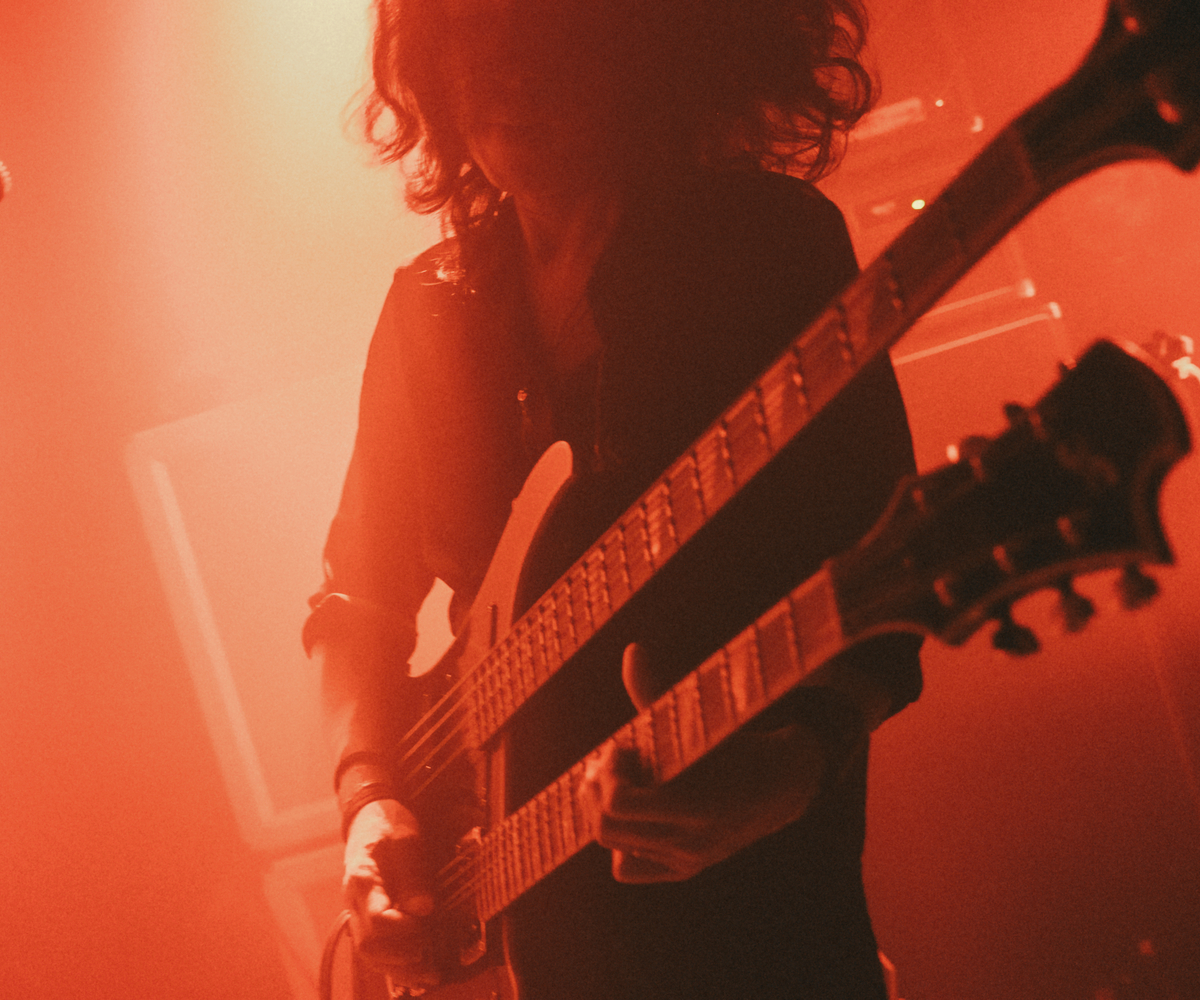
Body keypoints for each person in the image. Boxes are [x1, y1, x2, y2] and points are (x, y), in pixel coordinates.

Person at [304, 0, 924, 996]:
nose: (502, 69)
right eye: (469, 29)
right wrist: (370, 797)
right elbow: (358, 604)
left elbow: (885, 561)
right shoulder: (429, 307)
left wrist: (792, 765)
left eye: (540, 28)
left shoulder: (764, 246)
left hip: (753, 936)